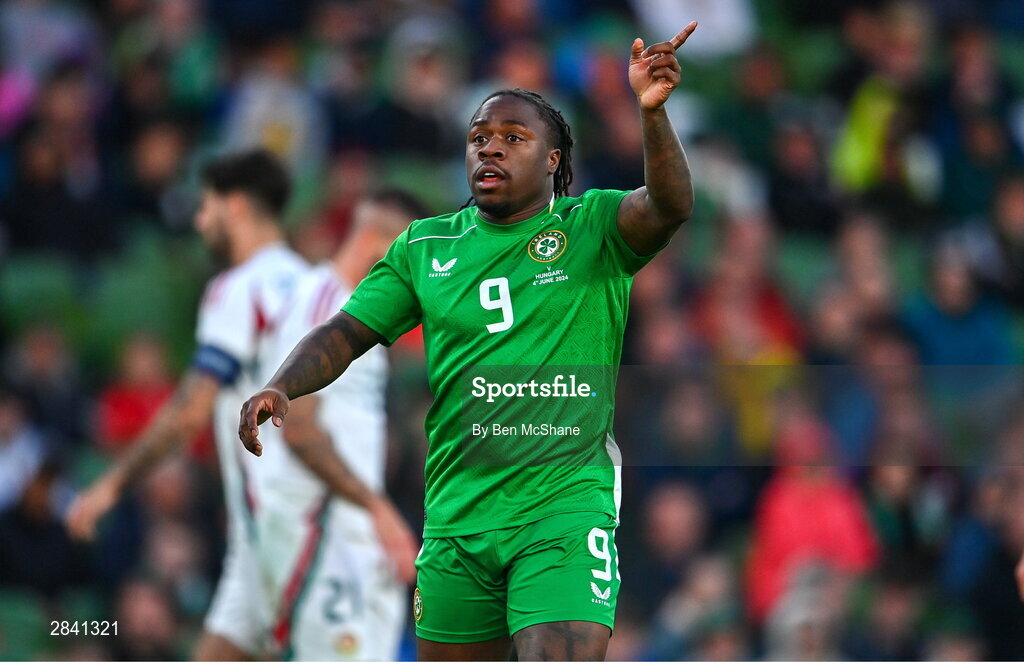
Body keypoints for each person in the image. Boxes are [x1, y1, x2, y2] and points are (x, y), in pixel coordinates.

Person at [240, 23, 698, 661]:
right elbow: (346, 332)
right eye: (479, 138)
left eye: (514, 138)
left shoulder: (592, 227)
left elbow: (670, 205)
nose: (490, 149)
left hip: (562, 509)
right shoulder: (426, 248)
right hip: (457, 518)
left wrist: (652, 115)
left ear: (554, 159)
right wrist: (280, 384)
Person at [65, 149, 309, 660]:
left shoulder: (238, 288)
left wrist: (112, 483)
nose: (199, 221)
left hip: (283, 523)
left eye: (205, 206)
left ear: (236, 207)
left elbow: (191, 408)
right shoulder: (318, 286)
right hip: (280, 520)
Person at [254, 190, 424, 660]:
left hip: (346, 526)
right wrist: (378, 509)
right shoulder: (323, 304)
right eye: (407, 256)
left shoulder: (358, 314)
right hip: (318, 526)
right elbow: (299, 428)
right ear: (374, 241)